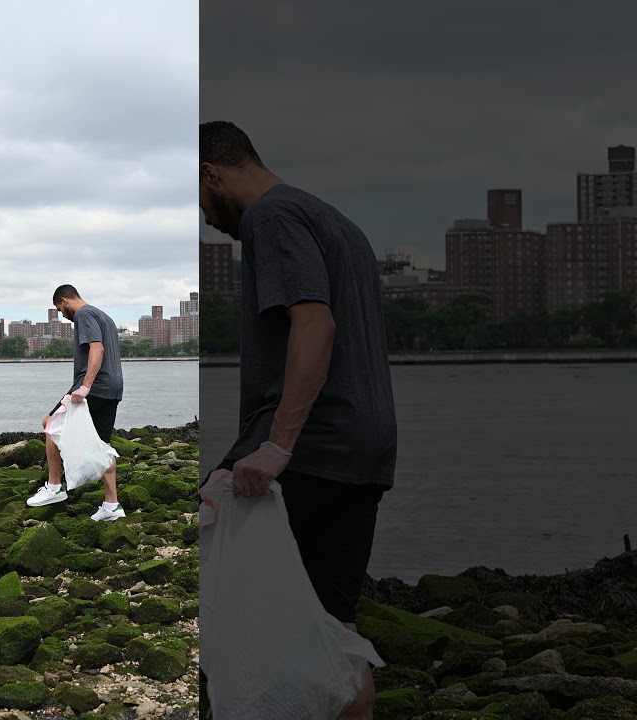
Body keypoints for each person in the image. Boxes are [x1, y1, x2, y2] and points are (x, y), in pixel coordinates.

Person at [199, 121, 398, 720]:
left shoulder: (271, 218)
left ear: (209, 173)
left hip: (304, 449)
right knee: (332, 629)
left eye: (198, 200)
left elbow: (316, 324)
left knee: (234, 611)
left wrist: (277, 446)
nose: (206, 217)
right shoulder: (338, 223)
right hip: (362, 452)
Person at [26, 285, 125, 522]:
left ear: (64, 301)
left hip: (95, 387)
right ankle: (112, 505)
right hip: (113, 387)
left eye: (60, 310)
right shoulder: (105, 317)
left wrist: (85, 386)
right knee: (101, 445)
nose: (63, 315)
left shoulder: (84, 314)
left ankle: (54, 487)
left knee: (51, 424)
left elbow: (97, 348)